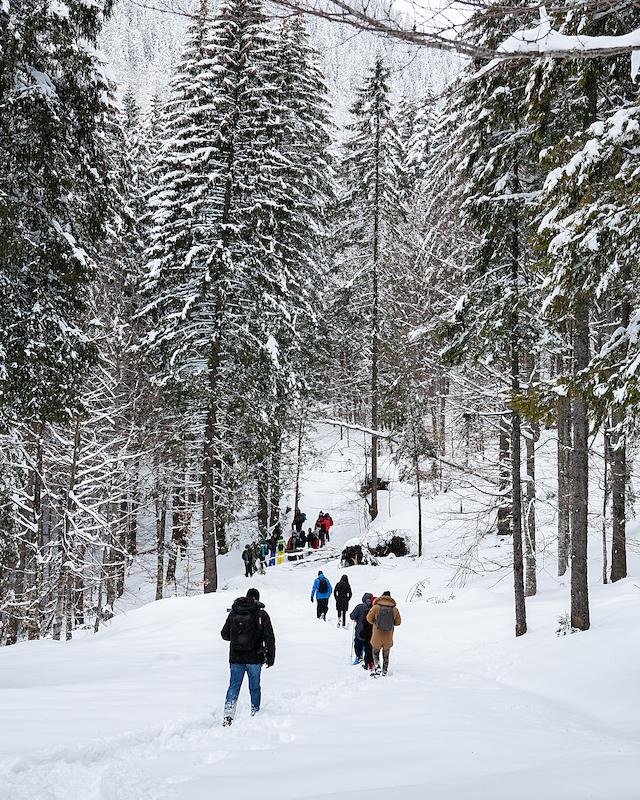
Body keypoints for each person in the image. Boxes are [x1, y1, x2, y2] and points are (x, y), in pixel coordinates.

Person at [220, 588, 275, 726]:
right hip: (255, 658)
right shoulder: (261, 614)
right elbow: (269, 637)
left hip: (236, 658)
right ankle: (255, 712)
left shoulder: (234, 613)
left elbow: (224, 635)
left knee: (233, 686)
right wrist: (270, 657)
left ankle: (228, 715)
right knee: (254, 687)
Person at [366, 591, 401, 676]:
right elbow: (398, 622)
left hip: (377, 635)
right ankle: (384, 670)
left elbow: (368, 618)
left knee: (375, 653)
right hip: (388, 636)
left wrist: (375, 622)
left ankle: (377, 667)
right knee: (386, 655)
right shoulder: (394, 609)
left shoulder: (376, 607)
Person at [350, 592, 374, 668]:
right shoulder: (374, 607)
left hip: (360, 630)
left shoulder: (359, 607)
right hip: (371, 631)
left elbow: (352, 616)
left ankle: (359, 657)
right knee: (368, 645)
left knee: (358, 644)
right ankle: (368, 660)